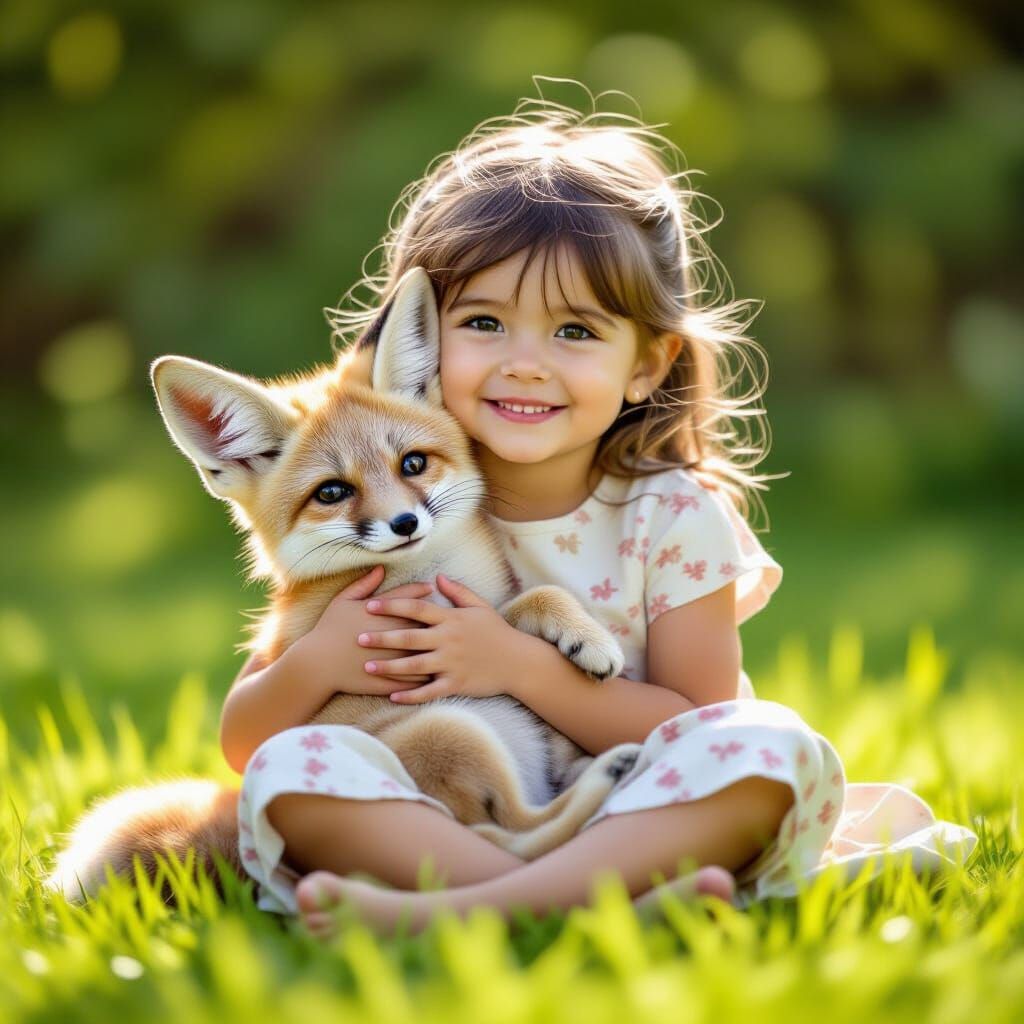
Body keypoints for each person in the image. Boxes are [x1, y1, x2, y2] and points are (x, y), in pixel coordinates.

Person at [220, 91, 977, 938]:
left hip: (643, 802)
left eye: (574, 331)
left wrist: (518, 665)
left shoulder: (672, 517)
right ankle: (598, 903)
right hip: (469, 809)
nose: (526, 364)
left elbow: (696, 720)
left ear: (647, 365)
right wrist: (318, 660)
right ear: (423, 350)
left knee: (768, 745)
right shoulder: (418, 510)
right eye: (483, 321)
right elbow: (248, 743)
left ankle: (472, 910)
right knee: (294, 770)